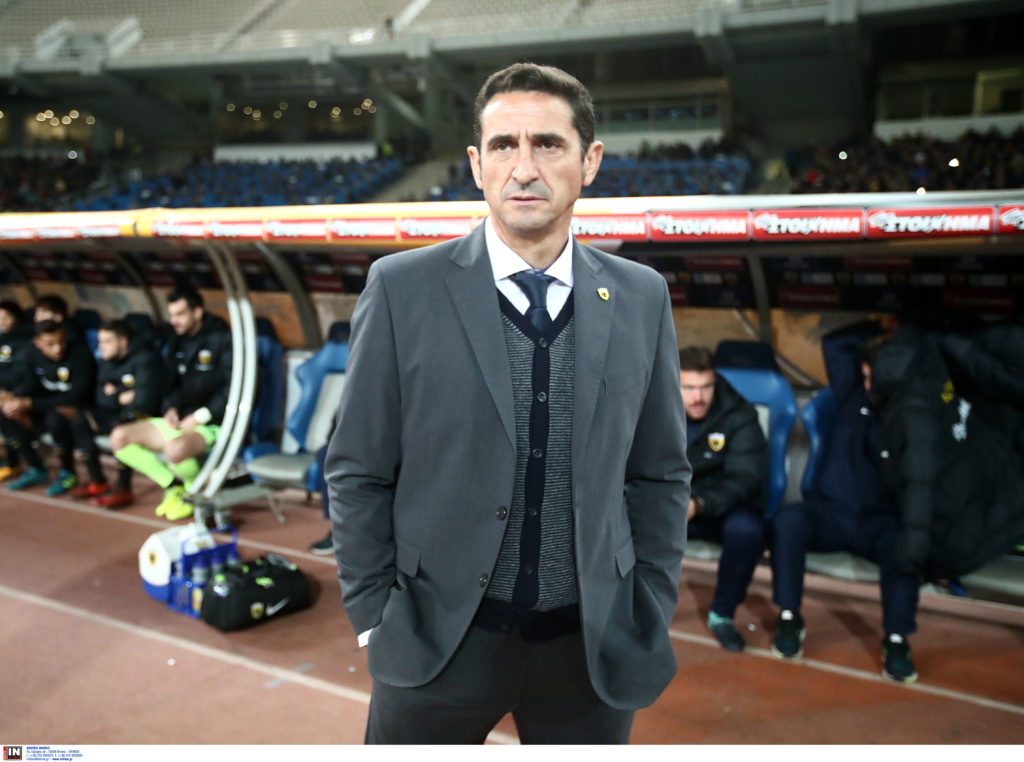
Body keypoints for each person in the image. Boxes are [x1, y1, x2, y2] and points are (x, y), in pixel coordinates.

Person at [325, 62, 690, 745]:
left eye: (548, 144)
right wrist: (376, 614)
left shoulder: (642, 296)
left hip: (591, 646)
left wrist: (650, 600)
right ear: (476, 164)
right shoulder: (402, 288)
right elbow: (357, 468)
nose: (524, 168)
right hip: (436, 639)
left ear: (590, 161)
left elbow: (660, 472)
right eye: (503, 145)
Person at [770, 321, 920, 683]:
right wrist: (880, 326)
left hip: (880, 521)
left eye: (876, 378)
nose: (870, 385)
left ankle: (896, 639)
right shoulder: (852, 396)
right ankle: (789, 617)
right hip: (830, 513)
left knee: (906, 545)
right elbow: (835, 343)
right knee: (788, 521)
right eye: (866, 376)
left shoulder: (910, 413)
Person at [109, 288, 231, 521]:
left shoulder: (222, 339)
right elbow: (170, 384)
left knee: (175, 450)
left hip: (214, 422)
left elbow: (232, 389)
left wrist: (200, 417)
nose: (174, 321)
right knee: (119, 438)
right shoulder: (176, 339)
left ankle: (194, 493)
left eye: (180, 314)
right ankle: (174, 486)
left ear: (197, 312)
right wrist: (170, 409)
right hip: (180, 420)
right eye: (171, 315)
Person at [678, 346, 767, 652]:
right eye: (689, 388)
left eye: (706, 387)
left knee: (748, 530)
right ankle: (628, 611)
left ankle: (722, 615)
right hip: (674, 505)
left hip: (720, 507)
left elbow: (746, 478)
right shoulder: (656, 410)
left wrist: (700, 503)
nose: (698, 397)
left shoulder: (739, 414)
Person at [68, 319, 162, 507]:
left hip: (142, 418)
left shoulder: (145, 359)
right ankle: (97, 480)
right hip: (113, 413)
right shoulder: (107, 361)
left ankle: (123, 488)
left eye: (107, 341)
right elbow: (99, 398)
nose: (100, 347)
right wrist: (121, 396)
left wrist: (114, 394)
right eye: (100, 341)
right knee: (80, 419)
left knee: (120, 424)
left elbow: (143, 402)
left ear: (123, 342)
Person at [1, 320, 96, 495]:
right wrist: (12, 400)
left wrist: (31, 403)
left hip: (74, 410)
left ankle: (68, 472)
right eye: (50, 344)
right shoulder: (30, 353)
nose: (57, 348)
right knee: (7, 411)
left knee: (55, 418)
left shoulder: (80, 355)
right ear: (38, 343)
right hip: (43, 407)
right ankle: (36, 469)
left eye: (61, 342)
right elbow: (26, 385)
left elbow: (76, 396)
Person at [0, 300, 33, 482]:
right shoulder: (1, 338)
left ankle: (17, 464)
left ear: (16, 318)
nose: (2, 321)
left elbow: (22, 375)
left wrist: (9, 393)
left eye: (6, 317)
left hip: (16, 393)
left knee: (7, 410)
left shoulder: (24, 342)